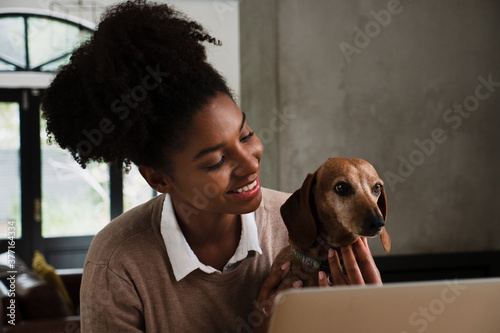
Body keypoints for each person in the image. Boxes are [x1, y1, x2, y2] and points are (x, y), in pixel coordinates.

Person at [41, 1, 382, 332]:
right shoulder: (117, 262)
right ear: (158, 177)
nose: (250, 164)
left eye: (246, 135)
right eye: (217, 160)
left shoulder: (307, 221)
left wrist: (373, 320)